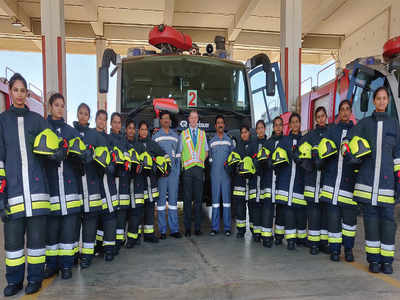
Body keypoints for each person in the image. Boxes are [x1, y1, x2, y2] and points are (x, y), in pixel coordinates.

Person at [0, 73, 53, 296]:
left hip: (37, 191)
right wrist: (1, 196)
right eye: (16, 90)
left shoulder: (38, 120)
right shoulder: (2, 121)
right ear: (10, 92)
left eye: (23, 90)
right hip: (13, 193)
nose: (19, 94)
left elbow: (50, 149)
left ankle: (34, 279)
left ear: (27, 94)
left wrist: (58, 152)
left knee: (36, 244)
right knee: (12, 245)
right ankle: (13, 282)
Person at [346, 87, 400, 274]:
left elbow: (398, 156)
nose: (382, 101)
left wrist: (399, 181)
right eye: (378, 98)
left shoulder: (394, 124)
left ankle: (387, 261)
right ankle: (374, 261)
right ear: (374, 101)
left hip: (386, 185)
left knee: (388, 224)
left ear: (388, 101)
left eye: (384, 98)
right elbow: (348, 140)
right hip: (367, 184)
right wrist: (353, 155)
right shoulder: (364, 123)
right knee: (370, 223)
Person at [43, 93, 84, 280]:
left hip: (70, 189)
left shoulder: (71, 131)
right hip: (50, 188)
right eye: (56, 105)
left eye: (62, 105)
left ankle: (66, 265)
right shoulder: (42, 128)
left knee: (68, 230)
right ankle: (51, 265)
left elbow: (81, 159)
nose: (59, 108)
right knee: (51, 231)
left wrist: (79, 157)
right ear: (50, 106)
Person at [319, 100, 357, 262]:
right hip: (331, 183)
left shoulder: (357, 131)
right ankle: (335, 250)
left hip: (349, 185)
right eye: (342, 109)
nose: (345, 112)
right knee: (333, 221)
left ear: (351, 112)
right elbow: (323, 150)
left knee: (349, 223)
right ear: (338, 113)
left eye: (347, 109)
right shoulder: (331, 130)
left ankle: (348, 250)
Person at [73, 104, 103, 269]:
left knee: (90, 224)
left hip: (92, 185)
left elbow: (104, 160)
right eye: (81, 113)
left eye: (86, 114)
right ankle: (75, 253)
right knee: (75, 224)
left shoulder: (95, 135)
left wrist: (94, 158)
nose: (83, 116)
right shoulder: (71, 132)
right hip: (76, 186)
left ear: (89, 117)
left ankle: (87, 256)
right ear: (77, 114)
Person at [273, 113, 306, 251]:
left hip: (299, 183)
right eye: (292, 122)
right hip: (285, 182)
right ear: (290, 125)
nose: (295, 124)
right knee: (286, 211)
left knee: (298, 212)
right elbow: (276, 161)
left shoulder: (305, 141)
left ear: (300, 123)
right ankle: (289, 239)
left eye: (297, 121)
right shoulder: (284, 141)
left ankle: (298, 238)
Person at [300, 106, 329, 255]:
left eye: (323, 116)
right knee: (313, 214)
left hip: (325, 180)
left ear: (326, 117)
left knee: (324, 214)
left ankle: (324, 243)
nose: (321, 119)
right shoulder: (309, 136)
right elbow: (300, 153)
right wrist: (309, 164)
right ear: (315, 119)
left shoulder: (331, 133)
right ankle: (314, 243)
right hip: (312, 180)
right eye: (318, 117)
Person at [152, 111, 182, 239]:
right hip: (161, 174)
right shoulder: (155, 137)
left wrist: (178, 172)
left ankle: (174, 229)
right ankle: (163, 230)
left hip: (173, 174)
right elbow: (153, 155)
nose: (165, 120)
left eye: (167, 118)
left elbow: (178, 156)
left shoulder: (176, 136)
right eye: (163, 118)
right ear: (160, 120)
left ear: (170, 121)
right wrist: (156, 171)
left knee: (174, 202)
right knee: (161, 202)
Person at [137, 121, 166, 243]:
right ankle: (136, 235)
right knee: (138, 210)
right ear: (138, 131)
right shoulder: (135, 144)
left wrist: (157, 169)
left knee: (149, 209)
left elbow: (164, 157)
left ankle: (149, 235)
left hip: (151, 182)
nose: (144, 131)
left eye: (145, 129)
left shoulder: (153, 144)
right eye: (141, 129)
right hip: (138, 181)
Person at [181, 110, 209, 236]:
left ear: (198, 120)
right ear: (188, 119)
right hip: (187, 169)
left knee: (198, 200)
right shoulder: (183, 134)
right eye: (191, 118)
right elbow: (180, 152)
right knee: (187, 201)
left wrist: (200, 160)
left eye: (195, 118)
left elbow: (206, 151)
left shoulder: (203, 134)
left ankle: (197, 228)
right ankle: (187, 229)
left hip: (198, 169)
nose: (193, 120)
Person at [95, 110, 118, 261]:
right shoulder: (90, 135)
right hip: (93, 182)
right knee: (95, 217)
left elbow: (114, 156)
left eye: (104, 119)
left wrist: (112, 165)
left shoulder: (109, 139)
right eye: (100, 119)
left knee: (109, 215)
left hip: (107, 181)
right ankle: (98, 246)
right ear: (95, 120)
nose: (102, 122)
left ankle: (109, 248)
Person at [107, 112, 131, 253]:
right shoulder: (108, 138)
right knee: (111, 213)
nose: (117, 125)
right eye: (114, 122)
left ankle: (119, 240)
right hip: (111, 180)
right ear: (111, 124)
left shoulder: (124, 141)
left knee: (122, 213)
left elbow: (128, 156)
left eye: (119, 122)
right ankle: (109, 242)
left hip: (123, 180)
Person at [208, 115, 234, 236]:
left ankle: (227, 227)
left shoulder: (229, 141)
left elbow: (233, 159)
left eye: (222, 123)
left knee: (227, 202)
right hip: (215, 176)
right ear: (215, 126)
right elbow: (209, 160)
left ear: (224, 125)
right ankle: (215, 227)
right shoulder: (211, 142)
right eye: (218, 123)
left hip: (226, 176)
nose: (220, 125)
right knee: (215, 202)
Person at [232, 125, 257, 238]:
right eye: (242, 132)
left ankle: (253, 229)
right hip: (240, 183)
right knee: (240, 209)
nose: (244, 134)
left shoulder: (254, 146)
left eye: (246, 132)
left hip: (251, 183)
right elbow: (232, 164)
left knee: (252, 209)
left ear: (249, 133)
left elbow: (257, 162)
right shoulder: (237, 148)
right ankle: (241, 230)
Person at [124, 119, 145, 248]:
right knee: (125, 212)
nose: (131, 130)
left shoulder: (140, 146)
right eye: (129, 128)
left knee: (136, 211)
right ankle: (122, 239)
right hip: (124, 181)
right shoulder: (122, 143)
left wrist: (142, 165)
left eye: (133, 128)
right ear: (125, 129)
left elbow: (145, 160)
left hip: (137, 181)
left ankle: (133, 238)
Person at [265, 116, 285, 245]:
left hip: (282, 179)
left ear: (283, 126)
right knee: (268, 208)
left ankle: (278, 236)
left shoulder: (286, 141)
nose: (278, 127)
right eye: (276, 125)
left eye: (280, 125)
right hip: (269, 179)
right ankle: (267, 236)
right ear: (273, 127)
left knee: (281, 209)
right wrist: (269, 163)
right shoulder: (268, 142)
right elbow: (263, 160)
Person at [251, 120, 268, 242]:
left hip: (265, 179)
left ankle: (263, 231)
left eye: (262, 128)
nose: (260, 130)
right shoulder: (252, 144)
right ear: (256, 130)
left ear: (265, 129)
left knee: (264, 206)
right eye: (258, 128)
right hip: (253, 179)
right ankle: (256, 232)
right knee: (254, 206)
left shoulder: (269, 143)